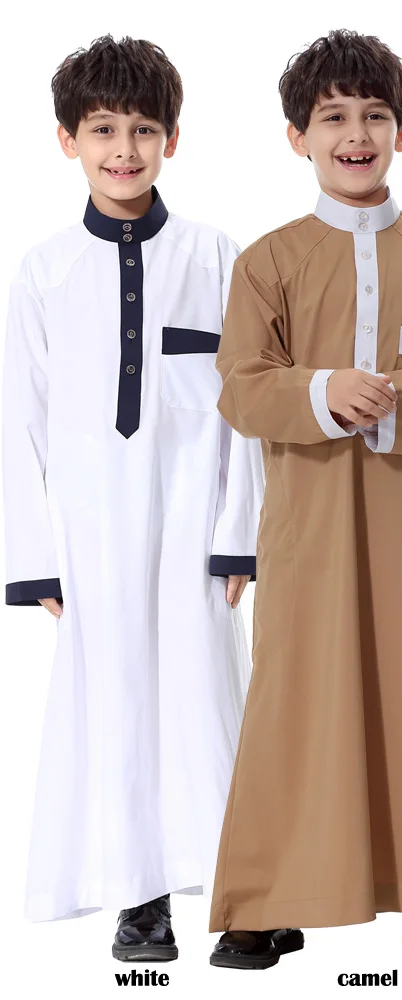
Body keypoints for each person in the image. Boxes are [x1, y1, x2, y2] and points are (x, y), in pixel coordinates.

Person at [206, 30, 402, 972]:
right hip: (307, 529)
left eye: (375, 116)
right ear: (297, 136)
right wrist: (321, 391)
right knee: (298, 699)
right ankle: (268, 900)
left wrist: (394, 398)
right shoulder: (268, 262)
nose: (356, 134)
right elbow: (241, 386)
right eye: (333, 117)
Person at [2, 35, 263, 961]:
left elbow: (247, 408)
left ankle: (241, 885)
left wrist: (240, 536)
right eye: (104, 129)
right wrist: (33, 560)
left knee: (206, 696)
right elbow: (16, 421)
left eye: (144, 129)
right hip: (92, 530)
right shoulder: (43, 271)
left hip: (194, 518)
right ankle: (138, 897)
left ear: (172, 139)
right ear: (67, 140)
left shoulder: (215, 256)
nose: (125, 149)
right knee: (112, 706)